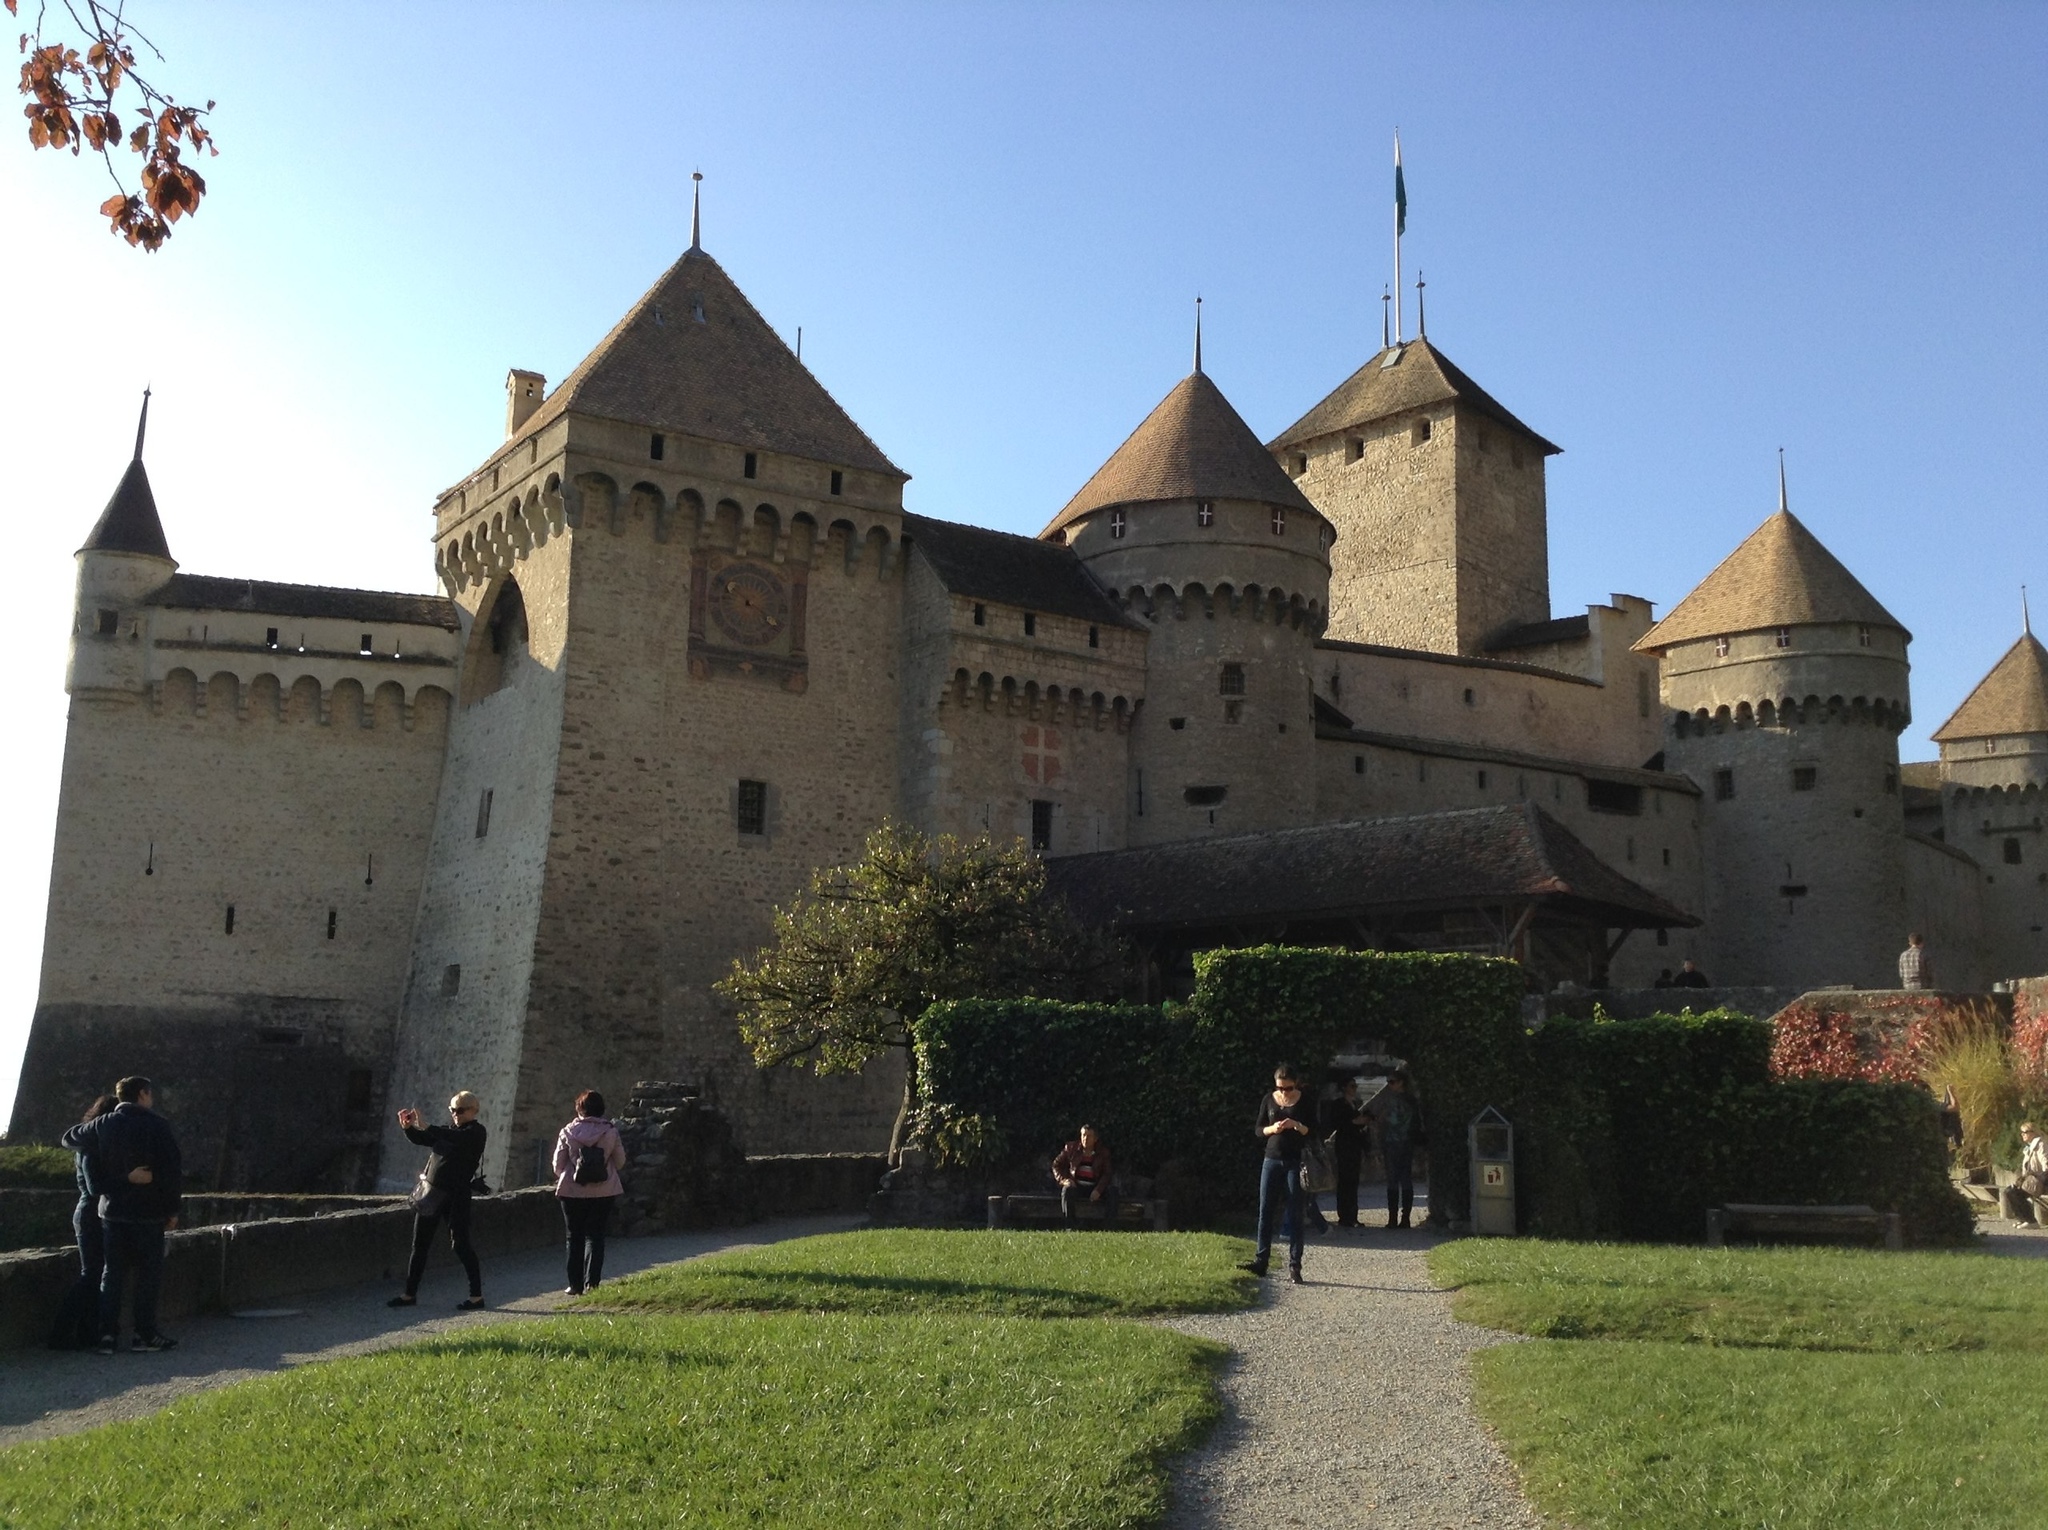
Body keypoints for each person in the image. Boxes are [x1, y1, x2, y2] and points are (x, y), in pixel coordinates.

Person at [61, 1075, 181, 1353]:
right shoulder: (157, 1126)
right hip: (148, 1214)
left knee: (111, 1275)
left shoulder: (103, 1124)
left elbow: (69, 1138)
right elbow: (172, 1173)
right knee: (148, 1276)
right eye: (149, 1094)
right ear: (142, 1094)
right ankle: (144, 1335)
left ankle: (107, 1336)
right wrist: (172, 1210)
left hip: (112, 1215)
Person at [389, 1090, 488, 1310]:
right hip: (432, 1195)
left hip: (456, 1196)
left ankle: (476, 1296)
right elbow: (422, 1138)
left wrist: (427, 1126)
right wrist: (408, 1127)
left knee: (461, 1244)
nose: (456, 1114)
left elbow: (457, 1138)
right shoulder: (448, 1131)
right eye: (453, 1110)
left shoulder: (476, 1132)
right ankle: (409, 1294)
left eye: (460, 1110)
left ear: (473, 1111)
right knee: (420, 1245)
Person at [48, 1094, 116, 1350]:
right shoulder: (90, 1148)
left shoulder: (91, 1144)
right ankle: (61, 1333)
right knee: (91, 1275)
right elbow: (95, 1187)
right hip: (90, 1214)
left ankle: (85, 1333)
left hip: (92, 1213)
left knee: (96, 1274)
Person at [1243, 1064, 1314, 1283]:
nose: (1284, 1092)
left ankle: (1295, 1265)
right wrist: (1272, 1129)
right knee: (1265, 1210)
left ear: (1296, 1083)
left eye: (1288, 1088)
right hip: (1271, 1159)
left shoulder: (1305, 1100)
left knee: (1295, 1213)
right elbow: (1258, 1129)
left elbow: (1313, 1129)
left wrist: (1296, 1125)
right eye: (1280, 1088)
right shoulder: (1268, 1099)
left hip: (1294, 1161)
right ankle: (1261, 1260)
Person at [552, 1089, 626, 1294]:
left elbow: (558, 1166)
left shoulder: (567, 1131)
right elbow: (620, 1162)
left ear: (579, 1109)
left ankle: (574, 1285)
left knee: (573, 1237)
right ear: (601, 1109)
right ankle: (592, 1284)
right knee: (596, 1237)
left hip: (572, 1192)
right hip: (604, 1191)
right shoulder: (611, 1131)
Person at [1368, 1071, 1421, 1230]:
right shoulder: (1411, 1100)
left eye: (1392, 1082)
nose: (1389, 1085)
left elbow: (1390, 1120)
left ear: (1401, 1083)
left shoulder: (1395, 1101)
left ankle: (1394, 1218)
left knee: (1393, 1180)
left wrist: (1378, 1119)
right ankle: (1404, 1218)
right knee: (1405, 1180)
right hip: (1406, 1142)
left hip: (1393, 1142)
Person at [1324, 1080, 1371, 1230]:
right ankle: (1344, 1216)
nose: (1354, 1089)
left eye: (1355, 1086)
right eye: (1352, 1086)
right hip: (1344, 1146)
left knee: (1353, 1182)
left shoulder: (1355, 1103)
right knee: (1345, 1181)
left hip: (1355, 1146)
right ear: (1344, 1088)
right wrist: (1355, 1121)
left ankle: (1352, 1215)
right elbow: (1339, 1123)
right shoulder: (1339, 1104)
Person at [1052, 1125, 1119, 1228]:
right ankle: (1070, 1226)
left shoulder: (1103, 1152)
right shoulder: (1070, 1148)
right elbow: (1056, 1165)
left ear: (1095, 1139)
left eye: (1089, 1136)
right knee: (1067, 1191)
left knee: (1113, 1192)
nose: (1085, 1139)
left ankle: (1109, 1227)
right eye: (1083, 1135)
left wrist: (1099, 1190)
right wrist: (1064, 1180)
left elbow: (1107, 1173)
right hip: (1077, 1186)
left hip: (1094, 1186)